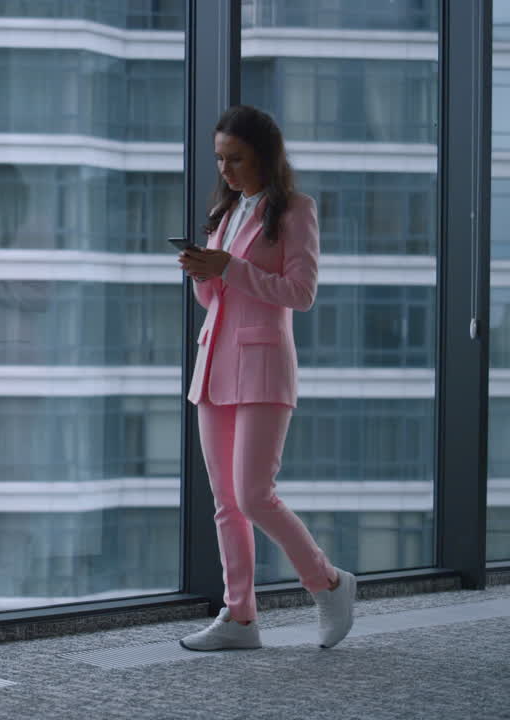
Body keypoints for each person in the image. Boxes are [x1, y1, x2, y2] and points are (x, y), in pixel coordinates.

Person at [175, 104, 356, 651]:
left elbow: (300, 294)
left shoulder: (296, 209)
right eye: (220, 159)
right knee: (226, 501)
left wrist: (230, 267)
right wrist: (203, 271)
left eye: (236, 159)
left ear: (264, 157)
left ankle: (328, 583)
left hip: (262, 366)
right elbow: (215, 299)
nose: (226, 170)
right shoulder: (225, 213)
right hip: (214, 363)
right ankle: (240, 617)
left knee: (255, 495)